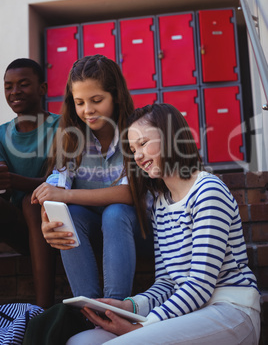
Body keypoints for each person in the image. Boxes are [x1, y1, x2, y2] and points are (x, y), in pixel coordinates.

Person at [66, 103, 261, 345]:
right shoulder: (161, 205)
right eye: (132, 149)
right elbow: (168, 282)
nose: (137, 156)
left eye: (144, 144)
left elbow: (200, 285)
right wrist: (129, 305)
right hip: (187, 312)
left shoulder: (207, 191)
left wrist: (142, 326)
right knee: (81, 342)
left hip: (230, 310)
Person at [31, 54, 152, 301]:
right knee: (70, 215)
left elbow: (129, 193)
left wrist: (65, 195)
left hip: (138, 231)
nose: (88, 110)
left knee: (115, 212)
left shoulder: (134, 132)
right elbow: (57, 185)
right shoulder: (71, 137)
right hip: (94, 233)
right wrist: (48, 217)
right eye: (79, 102)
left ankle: (114, 306)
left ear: (116, 96)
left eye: (96, 100)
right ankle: (88, 310)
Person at [0, 58, 60, 308]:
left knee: (32, 201)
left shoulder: (62, 127)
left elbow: (59, 181)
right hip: (18, 231)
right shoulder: (2, 133)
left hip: (55, 225)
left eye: (23, 84)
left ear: (42, 89)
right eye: (8, 86)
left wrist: (13, 180)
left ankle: (43, 311)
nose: (14, 92)